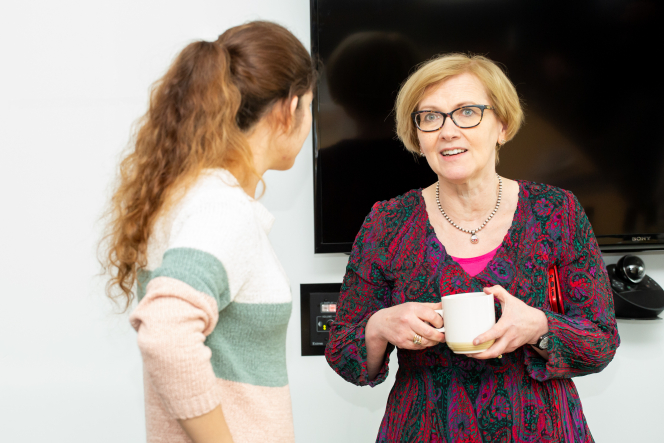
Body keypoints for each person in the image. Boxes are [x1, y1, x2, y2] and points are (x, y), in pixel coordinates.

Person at [325, 53, 619, 442]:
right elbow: (344, 354)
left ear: (503, 124)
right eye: (430, 117)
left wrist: (539, 328)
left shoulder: (556, 211)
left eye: (467, 112)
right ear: (418, 136)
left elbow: (599, 342)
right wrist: (380, 327)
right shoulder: (387, 223)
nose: (447, 130)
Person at [101, 21, 316, 443]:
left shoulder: (190, 195)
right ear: (288, 109)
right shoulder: (224, 209)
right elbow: (166, 331)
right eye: (310, 105)